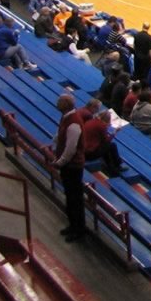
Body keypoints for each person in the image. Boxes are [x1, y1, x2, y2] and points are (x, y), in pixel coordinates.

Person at [54, 102, 88, 242]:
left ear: (64, 106)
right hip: (69, 166)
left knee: (75, 199)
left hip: (73, 167)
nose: (57, 104)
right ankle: (72, 225)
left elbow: (71, 148)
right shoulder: (66, 119)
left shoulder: (74, 122)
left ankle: (78, 229)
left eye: (60, 102)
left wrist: (60, 162)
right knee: (70, 197)